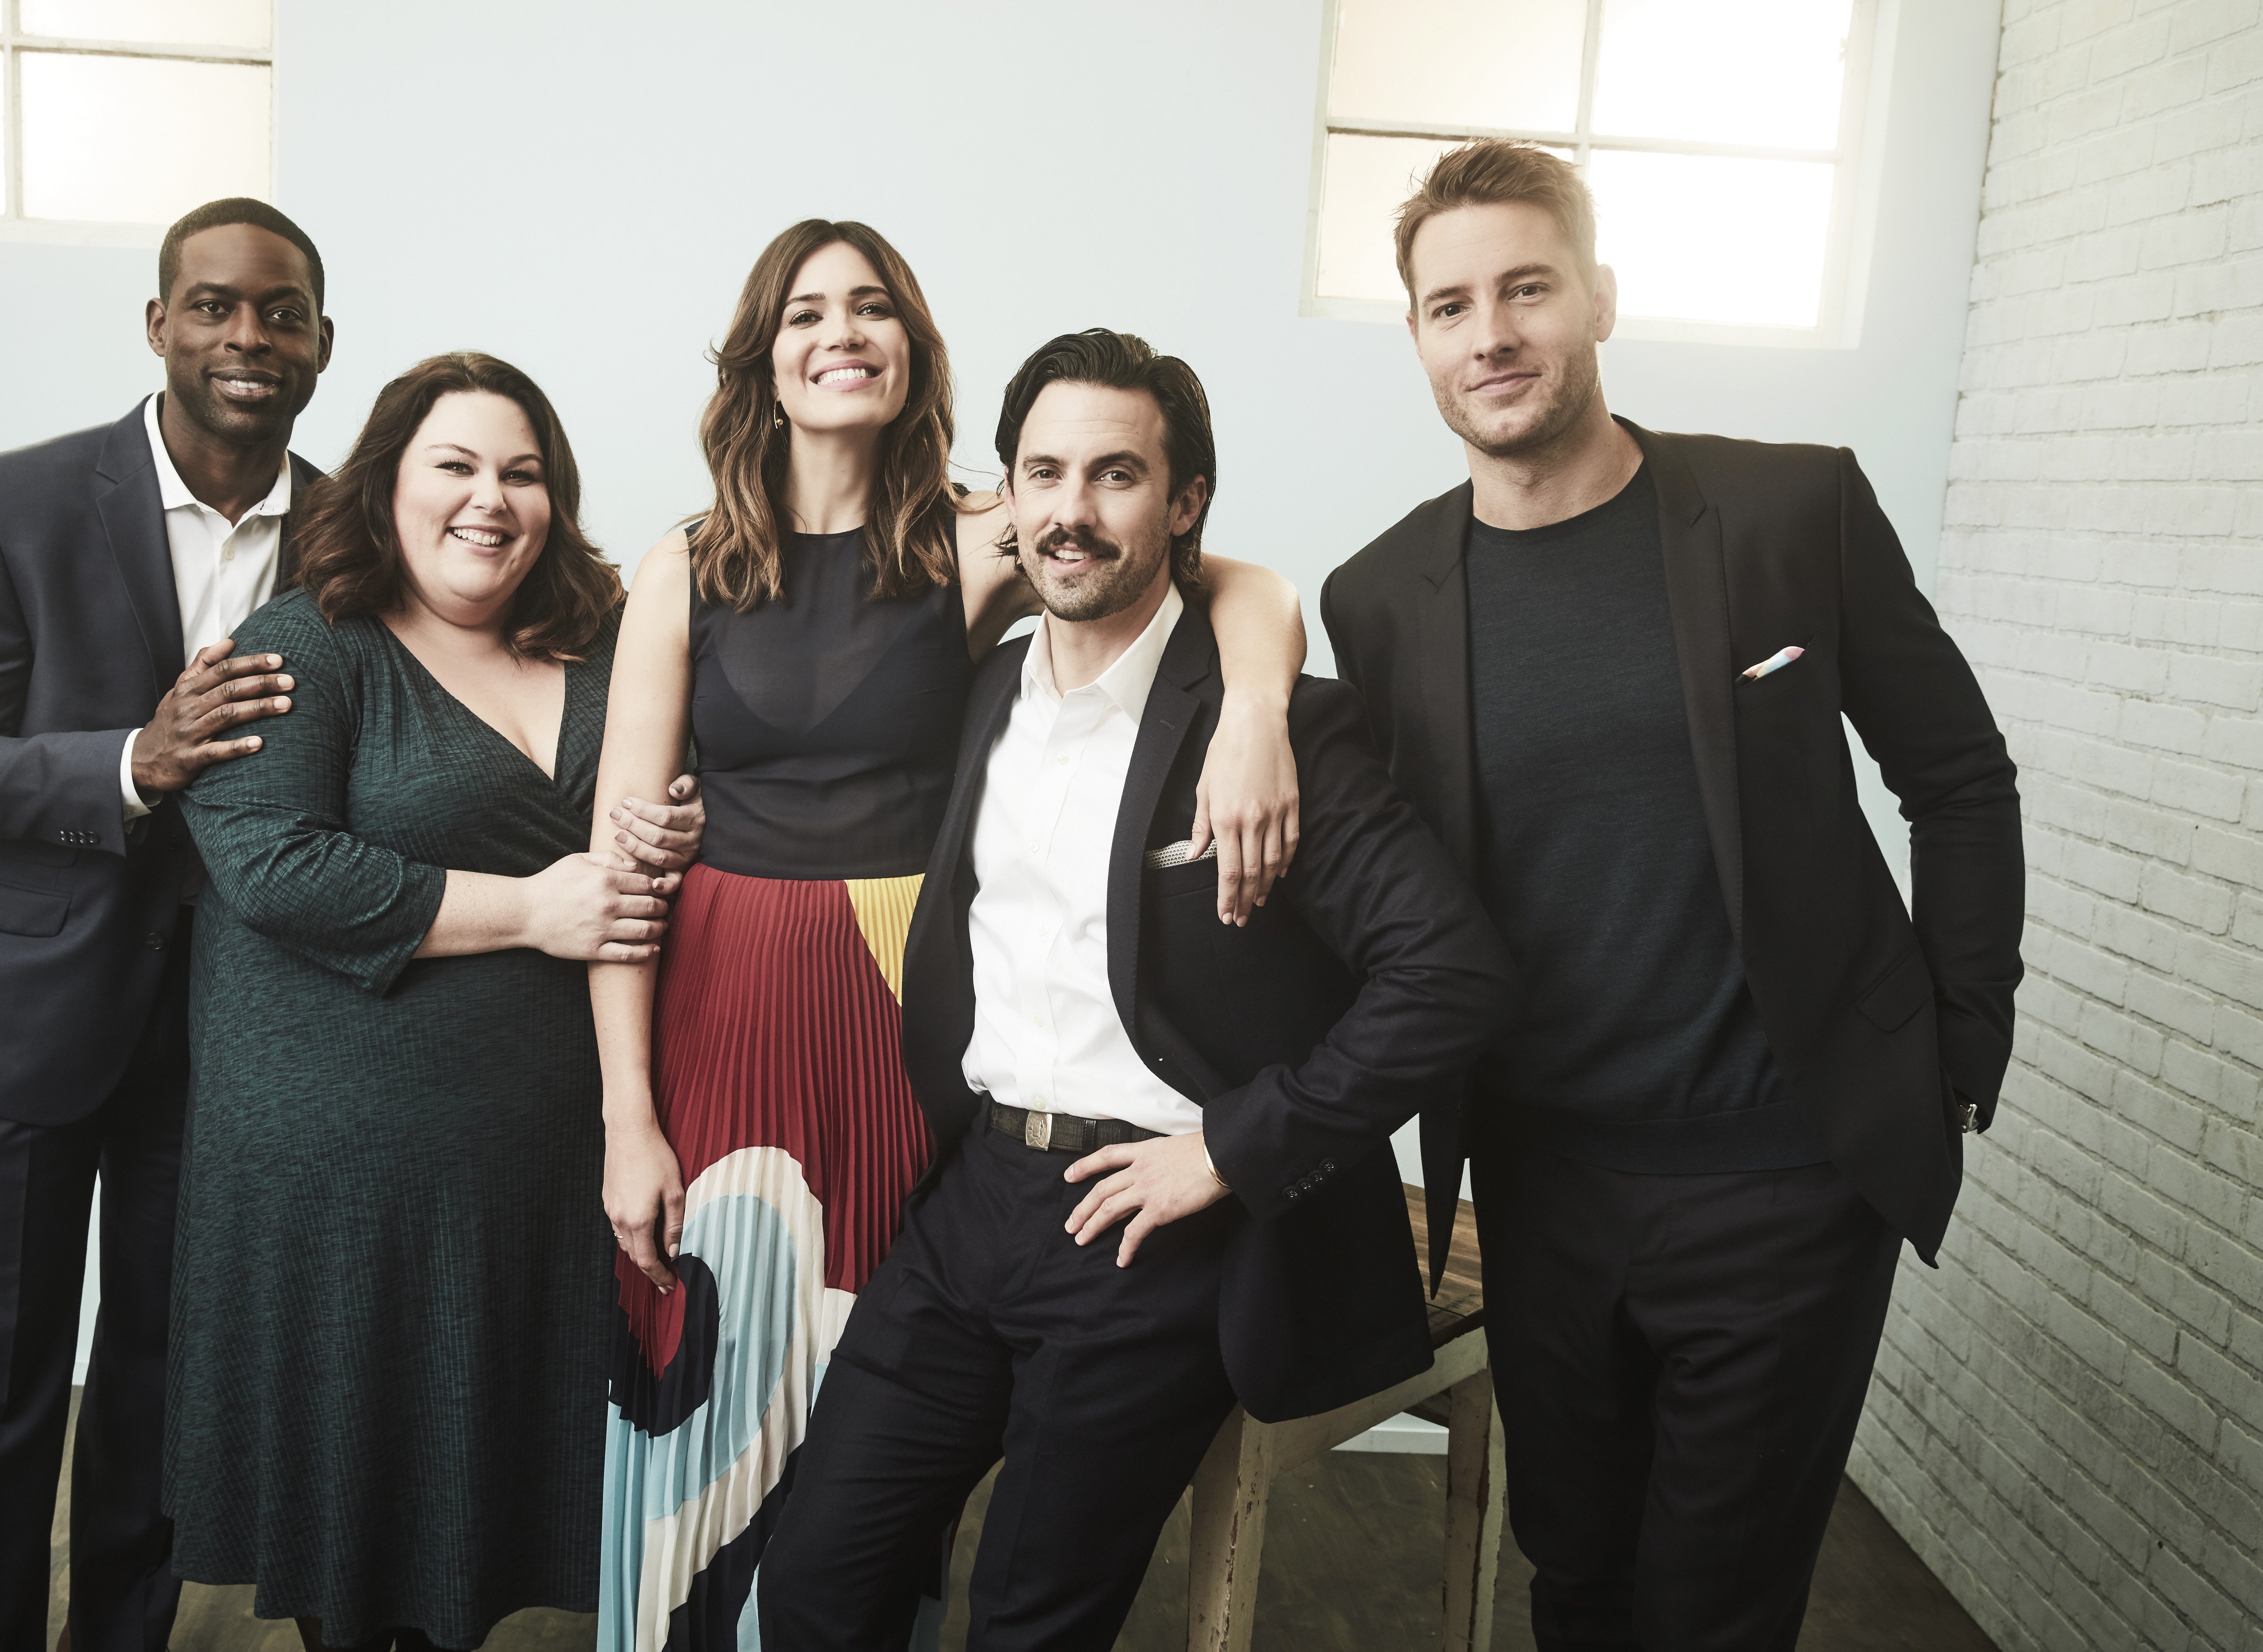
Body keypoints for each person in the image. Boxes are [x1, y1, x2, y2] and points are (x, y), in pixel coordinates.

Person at [1319, 141, 2027, 1651]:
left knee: (1714, 1611)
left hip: (1788, 1175)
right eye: (1452, 306)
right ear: (1421, 342)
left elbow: (1958, 778)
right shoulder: (1379, 599)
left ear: (1600, 299)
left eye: (1528, 288)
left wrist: (1960, 1040)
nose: (1492, 332)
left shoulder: (1792, 512)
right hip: (1541, 1177)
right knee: (1574, 1577)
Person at [587, 226, 1314, 1650]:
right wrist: (625, 1115)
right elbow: (623, 870)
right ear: (766, 357)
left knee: (869, 1391)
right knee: (704, 1359)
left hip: (895, 1003)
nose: (840, 331)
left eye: (873, 307)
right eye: (807, 311)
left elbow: (1247, 584)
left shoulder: (975, 528)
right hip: (721, 998)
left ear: (912, 345)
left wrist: (1259, 717)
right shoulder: (685, 563)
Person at [753, 328, 1517, 1649]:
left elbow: (1453, 976)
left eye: (1116, 475)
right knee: (819, 1576)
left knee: (1030, 1623)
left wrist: (1231, 1147)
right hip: (972, 1195)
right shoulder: (985, 688)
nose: (1072, 510)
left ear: (1186, 504)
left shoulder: (1269, 728)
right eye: (1043, 472)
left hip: (1153, 1227)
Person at [159, 353, 700, 1652]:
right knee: (361, 1531)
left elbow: (648, 807)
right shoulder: (304, 645)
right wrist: (533, 908)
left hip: (530, 1153)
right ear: (387, 482)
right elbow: (270, 862)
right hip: (345, 1172)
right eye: (454, 466)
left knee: (478, 1506)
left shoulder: (609, 640)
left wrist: (687, 819)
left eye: (522, 473)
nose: (491, 499)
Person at [0, 197, 331, 1652]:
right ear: (157, 323)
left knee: (162, 1382)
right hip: (16, 1025)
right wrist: (130, 761)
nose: (245, 337)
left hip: (232, 1038)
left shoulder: (353, 531)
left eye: (279, 312)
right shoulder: (10, 500)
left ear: (321, 342)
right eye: (212, 305)